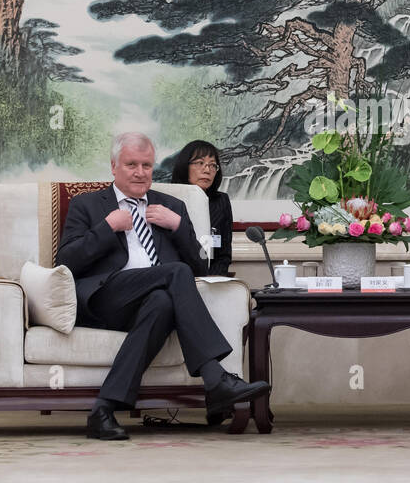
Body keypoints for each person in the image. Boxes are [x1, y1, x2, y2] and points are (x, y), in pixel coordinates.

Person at [57, 131, 269, 440]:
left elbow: (201, 267)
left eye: (146, 165)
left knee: (163, 302)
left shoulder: (172, 206)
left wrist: (179, 226)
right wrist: (108, 228)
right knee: (174, 274)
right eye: (132, 164)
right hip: (107, 298)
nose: (141, 173)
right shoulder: (88, 205)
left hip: (152, 299)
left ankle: (103, 410)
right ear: (114, 166)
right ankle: (215, 377)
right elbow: (66, 262)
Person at [170, 140, 232, 277]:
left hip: (211, 279)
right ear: (185, 166)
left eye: (212, 165)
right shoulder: (168, 199)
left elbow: (224, 255)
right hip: (176, 278)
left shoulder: (221, 201)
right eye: (200, 163)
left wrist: (210, 280)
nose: (207, 170)